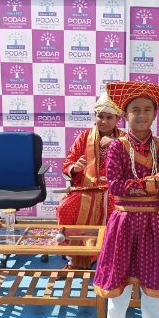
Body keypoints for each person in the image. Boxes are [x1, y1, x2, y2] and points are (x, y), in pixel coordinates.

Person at [90, 81, 159, 318]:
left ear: (155, 113)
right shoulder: (116, 147)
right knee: (120, 285)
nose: (141, 115)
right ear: (125, 115)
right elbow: (115, 186)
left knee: (153, 284)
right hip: (124, 222)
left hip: (153, 222)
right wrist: (153, 182)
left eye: (147, 109)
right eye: (135, 109)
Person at [56, 92, 125, 270]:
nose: (104, 121)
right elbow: (68, 162)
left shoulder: (124, 139)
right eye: (100, 116)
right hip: (86, 188)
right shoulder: (84, 136)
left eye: (109, 117)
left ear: (118, 119)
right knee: (65, 207)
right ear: (95, 116)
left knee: (117, 212)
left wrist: (116, 144)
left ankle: (111, 259)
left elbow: (132, 163)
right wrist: (75, 168)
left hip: (113, 189)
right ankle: (77, 258)